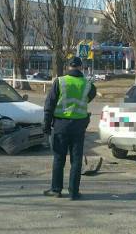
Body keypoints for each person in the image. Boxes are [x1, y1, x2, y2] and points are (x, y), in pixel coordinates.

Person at [43, 57, 96, 200]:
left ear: (69, 67)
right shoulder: (88, 84)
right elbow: (89, 98)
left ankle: (56, 190)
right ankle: (73, 192)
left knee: (59, 159)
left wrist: (46, 126)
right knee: (76, 160)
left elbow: (49, 105)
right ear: (81, 67)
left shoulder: (60, 82)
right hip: (79, 126)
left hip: (61, 125)